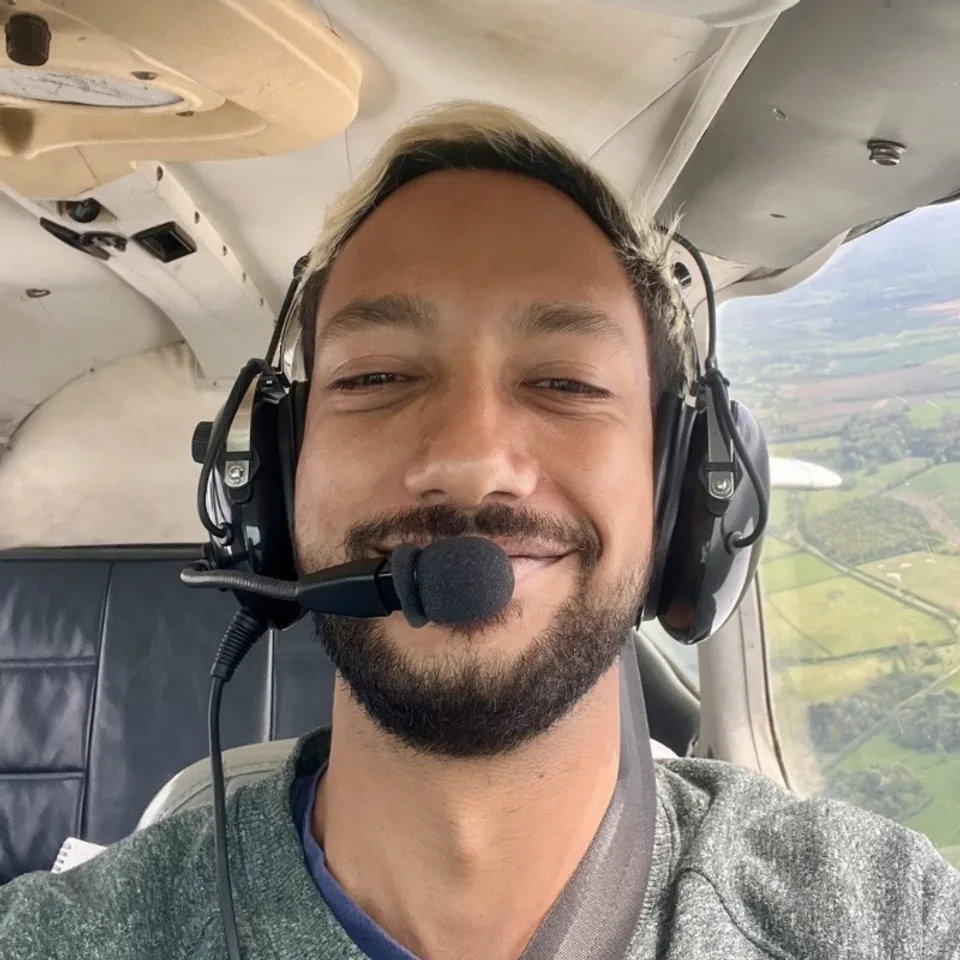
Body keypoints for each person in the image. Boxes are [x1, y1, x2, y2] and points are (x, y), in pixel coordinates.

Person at [2, 101, 959, 960]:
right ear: (275, 483)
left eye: (566, 382)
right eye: (377, 377)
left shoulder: (879, 918)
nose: (469, 458)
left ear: (683, 493)